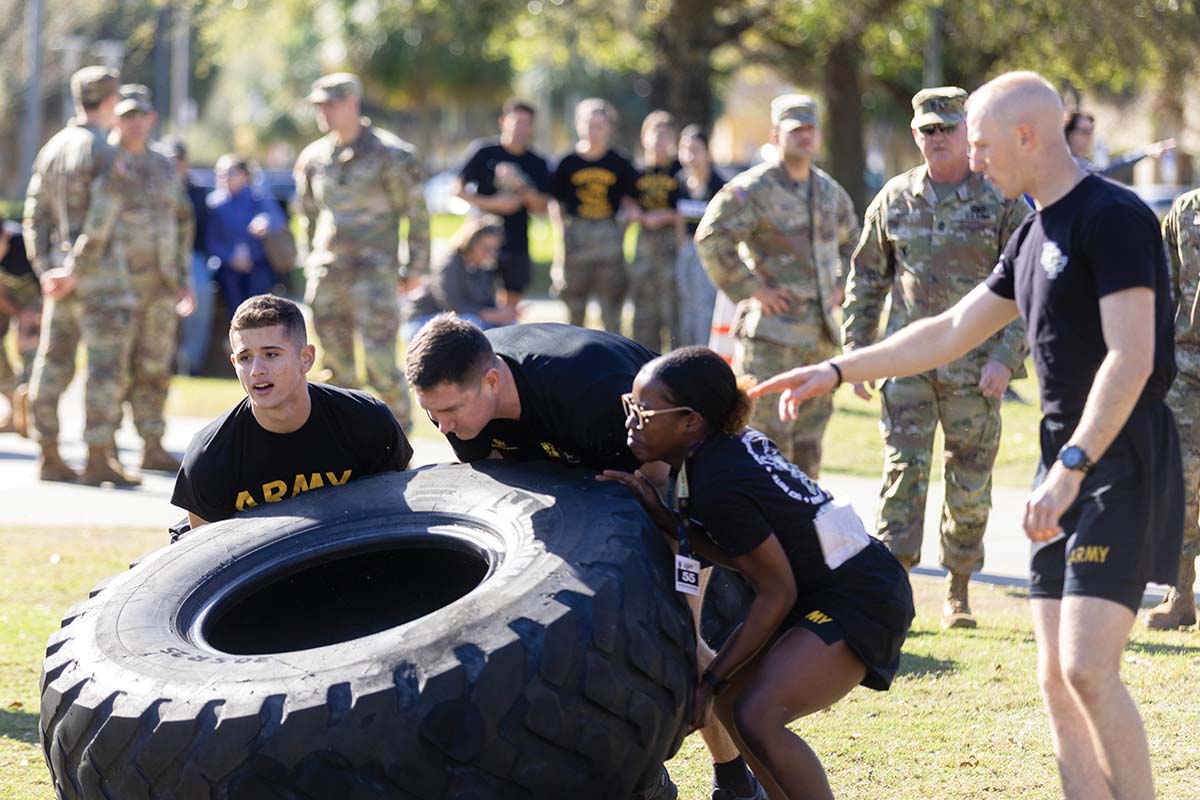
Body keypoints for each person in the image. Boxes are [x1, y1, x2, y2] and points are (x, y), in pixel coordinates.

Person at [752, 71, 1182, 800]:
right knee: (1053, 679)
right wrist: (834, 367)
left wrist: (1073, 464)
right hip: (1064, 461)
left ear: (1026, 136)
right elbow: (950, 330)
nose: (972, 159)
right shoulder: (1034, 231)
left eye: (980, 143)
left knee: (1086, 669)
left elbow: (1132, 356)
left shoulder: (1113, 217)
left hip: (1116, 461)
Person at [405, 314, 766, 800]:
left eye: (450, 411)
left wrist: (683, 614)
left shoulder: (592, 393)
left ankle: (736, 775)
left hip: (661, 471)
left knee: (681, 641)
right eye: (433, 415)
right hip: (574, 475)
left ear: (491, 380)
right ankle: (643, 775)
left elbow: (670, 496)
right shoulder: (462, 400)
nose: (443, 427)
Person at [600, 346, 913, 800]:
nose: (631, 420)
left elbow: (776, 591)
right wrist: (665, 518)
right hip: (828, 586)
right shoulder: (713, 454)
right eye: (630, 405)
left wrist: (710, 679)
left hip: (860, 596)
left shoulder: (718, 479)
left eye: (644, 410)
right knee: (733, 706)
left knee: (757, 713)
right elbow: (745, 555)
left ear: (690, 420)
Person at [844, 87, 1029, 628]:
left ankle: (959, 588)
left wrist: (1004, 357)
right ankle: (894, 589)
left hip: (977, 369)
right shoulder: (894, 198)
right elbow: (866, 280)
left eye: (949, 129)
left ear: (967, 133)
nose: (939, 138)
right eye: (929, 130)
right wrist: (858, 353)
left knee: (969, 478)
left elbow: (1027, 285)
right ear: (915, 135)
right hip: (906, 365)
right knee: (902, 473)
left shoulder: (999, 199)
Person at [695, 94, 860, 477]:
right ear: (775, 135)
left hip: (818, 340)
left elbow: (856, 242)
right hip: (772, 340)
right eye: (795, 129)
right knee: (766, 443)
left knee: (809, 444)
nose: (804, 136)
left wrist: (841, 284)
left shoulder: (828, 191)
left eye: (810, 129)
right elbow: (711, 237)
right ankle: (765, 530)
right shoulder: (755, 188)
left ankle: (806, 526)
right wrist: (751, 289)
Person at [172, 294, 413, 530]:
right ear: (235, 364)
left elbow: (398, 520)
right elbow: (211, 559)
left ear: (306, 359)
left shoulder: (367, 421)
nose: (256, 370)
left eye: (271, 354)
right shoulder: (211, 455)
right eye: (246, 358)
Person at [22, 66, 139, 485]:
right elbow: (102, 219)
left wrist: (47, 271)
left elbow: (34, 215)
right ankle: (97, 457)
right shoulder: (107, 152)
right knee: (105, 370)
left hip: (59, 282)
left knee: (52, 364)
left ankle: (48, 452)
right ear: (110, 102)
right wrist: (77, 270)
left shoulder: (52, 148)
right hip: (102, 282)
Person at [294, 72, 429, 431]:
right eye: (319, 105)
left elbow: (416, 213)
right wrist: (309, 259)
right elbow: (307, 214)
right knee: (335, 368)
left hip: (374, 274)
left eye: (330, 104)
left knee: (380, 366)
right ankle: (347, 446)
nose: (323, 112)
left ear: (352, 103)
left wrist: (415, 267)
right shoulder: (314, 157)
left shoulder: (391, 155)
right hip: (328, 275)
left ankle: (400, 440)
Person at [101, 85, 196, 473]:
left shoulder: (162, 165)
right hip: (115, 286)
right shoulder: (105, 160)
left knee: (155, 367)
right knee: (111, 369)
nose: (135, 123)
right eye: (126, 116)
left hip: (159, 287)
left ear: (151, 119)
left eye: (141, 116)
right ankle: (103, 447)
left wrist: (184, 278)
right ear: (115, 119)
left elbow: (183, 220)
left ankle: (152, 442)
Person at [1146, 185, 1200, 630]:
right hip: (1187, 367)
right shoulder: (1185, 210)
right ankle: (1181, 596)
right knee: (1181, 482)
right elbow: (1162, 293)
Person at [550, 98, 640, 333]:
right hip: (576, 237)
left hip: (608, 236)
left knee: (611, 311)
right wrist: (562, 236)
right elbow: (555, 203)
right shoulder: (567, 162)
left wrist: (621, 232)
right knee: (574, 309)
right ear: (578, 125)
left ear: (609, 128)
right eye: (589, 124)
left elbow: (630, 203)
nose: (594, 131)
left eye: (599, 125)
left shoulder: (620, 162)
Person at [455, 98, 552, 308]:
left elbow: (542, 207)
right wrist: (493, 204)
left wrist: (520, 186)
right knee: (479, 299)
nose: (521, 128)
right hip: (481, 240)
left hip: (516, 239)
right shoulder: (484, 152)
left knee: (511, 301)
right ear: (503, 122)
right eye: (516, 122)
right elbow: (458, 190)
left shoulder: (537, 162)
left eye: (527, 123)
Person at [404, 216, 517, 339]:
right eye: (485, 248)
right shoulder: (450, 264)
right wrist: (487, 314)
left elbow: (487, 302)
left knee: (509, 325)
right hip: (425, 320)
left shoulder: (484, 267)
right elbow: (452, 304)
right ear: (471, 243)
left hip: (462, 319)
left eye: (494, 249)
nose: (490, 254)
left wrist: (503, 312)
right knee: (472, 324)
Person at [205, 154, 287, 316]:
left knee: (259, 310)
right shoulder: (215, 204)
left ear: (244, 175)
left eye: (230, 173)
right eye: (221, 174)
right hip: (229, 269)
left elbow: (276, 218)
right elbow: (211, 241)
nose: (225, 178)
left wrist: (265, 221)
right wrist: (230, 258)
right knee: (236, 312)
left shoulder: (257, 197)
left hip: (258, 265)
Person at [629, 110, 682, 352]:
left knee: (672, 307)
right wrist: (635, 212)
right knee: (643, 309)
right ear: (644, 137)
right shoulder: (636, 171)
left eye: (666, 135)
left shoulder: (680, 170)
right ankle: (642, 362)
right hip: (645, 244)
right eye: (655, 134)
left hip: (673, 243)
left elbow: (691, 209)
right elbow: (625, 200)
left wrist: (667, 216)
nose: (660, 141)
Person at [165, 138, 217, 376]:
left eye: (177, 161)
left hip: (190, 255)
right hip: (156, 256)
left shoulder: (196, 193)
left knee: (201, 291)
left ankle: (191, 361)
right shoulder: (152, 189)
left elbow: (204, 231)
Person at [674, 125, 726, 348]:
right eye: (685, 149)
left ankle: (705, 354)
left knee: (706, 308)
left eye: (695, 149)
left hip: (709, 254)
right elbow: (677, 217)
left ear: (707, 152)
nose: (690, 156)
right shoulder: (680, 181)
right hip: (685, 251)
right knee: (686, 305)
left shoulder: (719, 185)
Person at [0, 217, 41, 433]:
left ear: (5, 236)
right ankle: (13, 407)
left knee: (30, 347)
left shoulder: (26, 244)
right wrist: (17, 313)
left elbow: (46, 289)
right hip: (8, 298)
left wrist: (29, 320)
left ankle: (31, 413)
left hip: (36, 298)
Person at [1063, 111, 1175, 179]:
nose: (1090, 137)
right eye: (1084, 131)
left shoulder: (1082, 162)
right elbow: (1105, 173)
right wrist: (1145, 152)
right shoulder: (1069, 164)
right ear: (1069, 133)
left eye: (1091, 131)